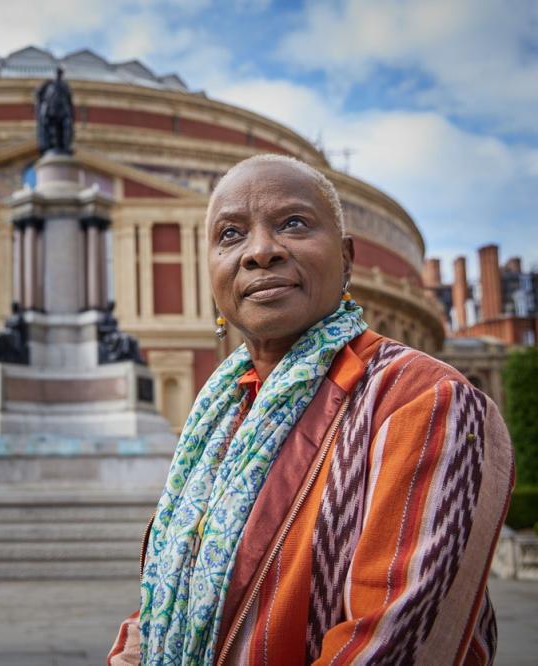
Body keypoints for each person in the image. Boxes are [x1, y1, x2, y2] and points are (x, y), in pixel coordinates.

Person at [108, 155, 514, 665]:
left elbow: (387, 645)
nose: (260, 251)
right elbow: (163, 600)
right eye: (231, 235)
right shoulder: (218, 416)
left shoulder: (420, 399)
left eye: (292, 224)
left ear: (346, 259)